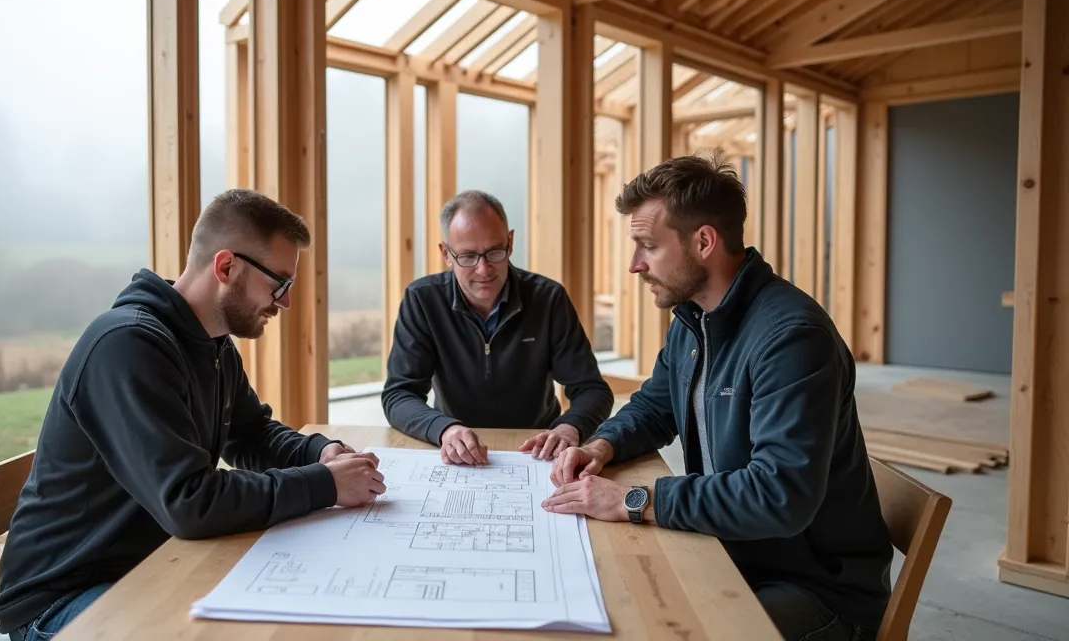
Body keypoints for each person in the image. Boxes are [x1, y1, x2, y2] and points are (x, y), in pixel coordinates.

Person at [0, 189, 387, 640]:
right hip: (63, 599)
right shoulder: (127, 346)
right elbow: (189, 502)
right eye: (279, 283)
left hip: (151, 565)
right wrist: (325, 484)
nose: (285, 302)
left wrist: (319, 453)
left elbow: (251, 434)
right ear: (226, 267)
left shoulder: (212, 344)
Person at [540, 154, 893, 640]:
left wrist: (635, 499)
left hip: (814, 588)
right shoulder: (695, 318)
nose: (635, 265)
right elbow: (654, 406)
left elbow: (778, 496)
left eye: (649, 246)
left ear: (703, 241)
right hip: (735, 550)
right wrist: (602, 445)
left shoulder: (791, 338)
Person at [382, 190, 614, 465]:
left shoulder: (549, 298)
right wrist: (444, 429)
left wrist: (569, 427)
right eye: (468, 256)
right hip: (453, 450)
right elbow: (399, 394)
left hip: (537, 450)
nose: (483, 269)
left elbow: (592, 389)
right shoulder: (422, 300)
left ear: (510, 242)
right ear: (446, 254)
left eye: (494, 252)